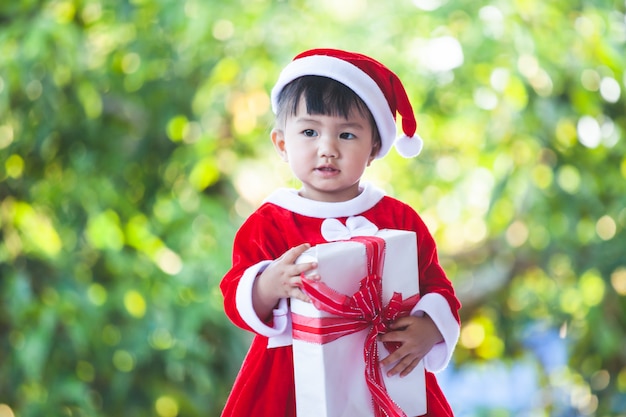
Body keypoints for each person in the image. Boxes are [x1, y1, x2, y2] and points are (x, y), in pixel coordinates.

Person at [220, 48, 461, 416]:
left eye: (347, 134)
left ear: (374, 147)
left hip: (386, 369)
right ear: (282, 143)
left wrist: (431, 328)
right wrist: (268, 284)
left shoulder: (399, 218)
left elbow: (436, 286)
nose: (327, 148)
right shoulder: (270, 222)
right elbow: (236, 293)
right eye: (309, 131)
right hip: (291, 378)